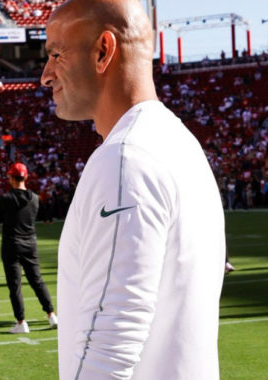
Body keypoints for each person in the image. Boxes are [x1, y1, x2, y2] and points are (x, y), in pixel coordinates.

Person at [42, 0, 226, 378]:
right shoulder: (180, 143)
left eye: (57, 54)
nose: (46, 75)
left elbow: (108, 349)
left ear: (103, 51)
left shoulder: (126, 158)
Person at [0, 163, 57, 334]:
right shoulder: (35, 198)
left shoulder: (6, 198)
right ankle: (51, 314)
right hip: (30, 243)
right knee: (37, 281)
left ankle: (21, 321)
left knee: (15, 285)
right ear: (26, 177)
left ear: (11, 178)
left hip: (11, 244)